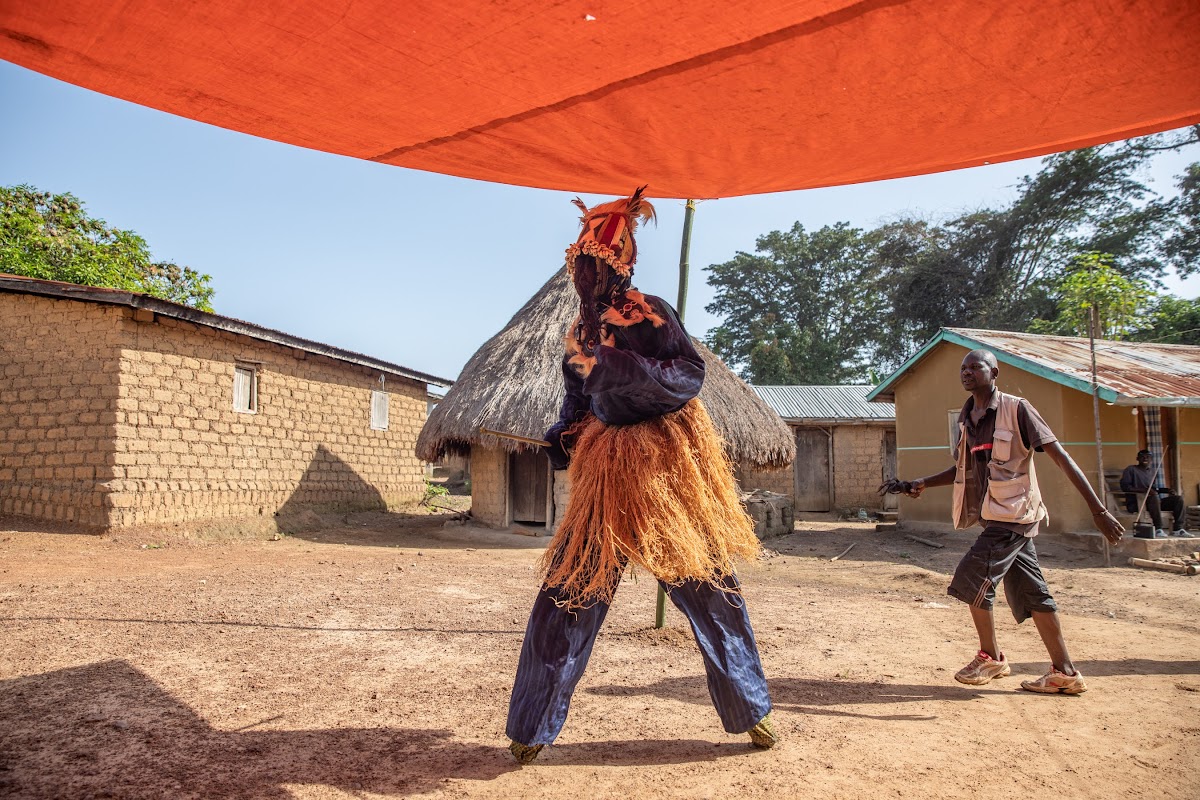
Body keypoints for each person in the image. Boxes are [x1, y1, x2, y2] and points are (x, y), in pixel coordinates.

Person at [505, 188, 776, 764]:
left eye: (594, 264)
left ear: (618, 263)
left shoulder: (646, 311)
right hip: (607, 471)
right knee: (569, 589)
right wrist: (565, 432)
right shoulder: (578, 334)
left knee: (705, 586)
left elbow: (686, 374)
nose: (584, 274)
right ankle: (530, 727)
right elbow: (578, 399)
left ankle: (751, 711)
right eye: (578, 264)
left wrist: (617, 367)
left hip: (663, 466)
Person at [880, 349, 1124, 695]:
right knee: (1033, 592)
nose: (966, 372)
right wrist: (919, 483)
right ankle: (1065, 672)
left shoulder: (1017, 410)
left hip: (1014, 517)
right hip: (992, 516)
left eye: (974, 367)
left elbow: (1061, 457)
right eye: (963, 368)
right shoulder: (967, 420)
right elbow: (962, 468)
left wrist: (1098, 510)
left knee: (971, 576)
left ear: (994, 372)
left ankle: (990, 656)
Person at [1120, 449, 1189, 538]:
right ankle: (1158, 528)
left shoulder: (1152, 472)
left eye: (1148, 457)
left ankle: (1178, 529)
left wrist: (1166, 490)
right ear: (1137, 458)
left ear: (1151, 459)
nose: (1145, 458)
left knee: (1178, 499)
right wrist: (1145, 490)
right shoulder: (1131, 470)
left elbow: (1154, 488)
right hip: (1137, 504)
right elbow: (1125, 487)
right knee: (1154, 496)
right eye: (1142, 456)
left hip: (1153, 503)